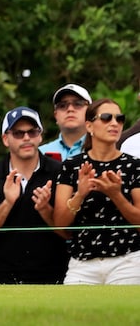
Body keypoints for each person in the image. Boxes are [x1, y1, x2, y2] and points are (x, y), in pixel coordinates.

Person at [0, 107, 68, 284]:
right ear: (5, 139)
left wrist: (45, 209)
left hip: (54, 275)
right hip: (3, 276)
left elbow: (69, 232)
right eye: (18, 133)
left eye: (32, 132)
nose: (26, 138)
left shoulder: (59, 171)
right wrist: (8, 202)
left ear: (40, 136)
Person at [53, 99, 140, 284]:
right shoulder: (71, 165)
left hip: (128, 261)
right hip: (82, 263)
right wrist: (80, 194)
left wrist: (116, 195)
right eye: (107, 118)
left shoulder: (135, 165)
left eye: (120, 118)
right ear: (89, 126)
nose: (115, 123)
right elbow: (59, 224)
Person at [41, 83, 92, 161]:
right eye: (62, 105)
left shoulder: (104, 151)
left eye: (78, 104)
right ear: (56, 116)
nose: (70, 109)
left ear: (90, 112)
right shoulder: (40, 154)